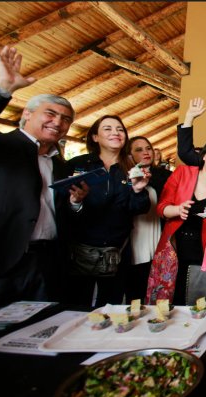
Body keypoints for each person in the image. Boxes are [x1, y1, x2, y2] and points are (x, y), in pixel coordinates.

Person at [0, 46, 75, 310]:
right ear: (27, 114)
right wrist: (2, 88)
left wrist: (76, 202)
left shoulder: (60, 165)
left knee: (40, 331)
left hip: (47, 263)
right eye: (50, 114)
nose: (58, 122)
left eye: (65, 119)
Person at [146, 99, 206, 305]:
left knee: (197, 305)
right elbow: (161, 208)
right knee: (166, 304)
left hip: (203, 252)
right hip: (173, 248)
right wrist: (177, 209)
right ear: (203, 156)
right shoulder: (183, 172)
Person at [65, 115, 150, 307]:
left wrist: (138, 190)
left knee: (111, 308)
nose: (115, 133)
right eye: (108, 129)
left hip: (117, 250)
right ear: (95, 137)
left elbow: (138, 209)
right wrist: (76, 202)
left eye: (120, 129)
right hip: (82, 251)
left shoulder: (130, 169)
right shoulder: (78, 165)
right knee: (77, 307)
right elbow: (63, 210)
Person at [124, 136, 172, 302]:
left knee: (157, 294)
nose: (146, 152)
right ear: (129, 156)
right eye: (139, 149)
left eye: (148, 148)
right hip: (133, 241)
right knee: (135, 295)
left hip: (157, 239)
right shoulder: (125, 178)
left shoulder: (163, 176)